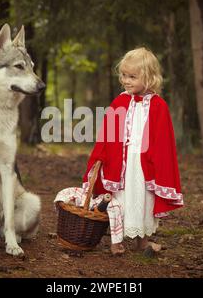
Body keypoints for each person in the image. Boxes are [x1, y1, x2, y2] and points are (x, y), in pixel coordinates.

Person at [82, 47, 184, 255]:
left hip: (144, 166)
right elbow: (107, 134)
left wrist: (158, 165)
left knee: (144, 200)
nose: (126, 81)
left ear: (148, 77)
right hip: (121, 165)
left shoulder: (158, 105)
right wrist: (100, 156)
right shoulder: (120, 101)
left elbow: (164, 141)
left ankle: (142, 242)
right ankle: (116, 241)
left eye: (132, 77)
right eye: (124, 76)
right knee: (119, 201)